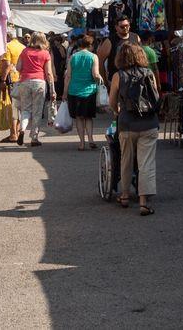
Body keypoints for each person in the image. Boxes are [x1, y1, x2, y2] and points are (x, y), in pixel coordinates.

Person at [108, 43, 159, 216]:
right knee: (146, 164)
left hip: (127, 124)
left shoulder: (118, 76)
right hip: (149, 123)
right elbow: (156, 95)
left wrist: (117, 111)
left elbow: (112, 101)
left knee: (126, 160)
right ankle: (143, 202)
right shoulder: (149, 73)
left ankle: (124, 196)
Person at [12, 32, 55, 147]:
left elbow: (18, 67)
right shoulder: (45, 54)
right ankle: (34, 138)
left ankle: (22, 129)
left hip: (25, 82)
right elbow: (49, 73)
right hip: (39, 82)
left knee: (25, 109)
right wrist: (52, 89)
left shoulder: (25, 51)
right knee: (37, 111)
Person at [65, 34, 103, 150]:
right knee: (88, 117)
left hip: (74, 91)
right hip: (89, 91)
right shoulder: (93, 57)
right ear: (90, 45)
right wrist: (101, 80)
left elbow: (68, 76)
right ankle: (91, 139)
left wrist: (64, 93)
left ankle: (82, 143)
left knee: (79, 118)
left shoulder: (73, 57)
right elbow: (95, 74)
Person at [0, 30, 27, 143]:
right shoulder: (23, 47)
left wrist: (3, 80)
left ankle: (13, 133)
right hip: (22, 79)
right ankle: (16, 131)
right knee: (20, 107)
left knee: (13, 107)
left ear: (8, 36)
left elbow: (7, 65)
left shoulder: (7, 46)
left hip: (12, 79)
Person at [96, 14, 141, 81]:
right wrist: (104, 81)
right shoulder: (110, 41)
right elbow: (100, 61)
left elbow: (140, 56)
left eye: (127, 26)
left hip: (134, 78)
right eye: (122, 27)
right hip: (116, 79)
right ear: (116, 27)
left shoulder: (135, 37)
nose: (125, 28)